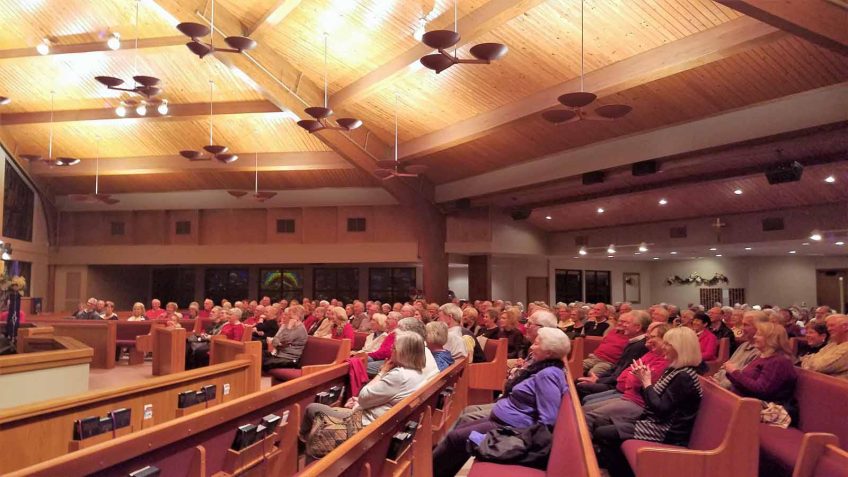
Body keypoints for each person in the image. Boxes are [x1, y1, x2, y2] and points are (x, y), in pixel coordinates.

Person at [432, 328, 571, 477]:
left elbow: (548, 418)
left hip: (511, 427)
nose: (531, 347)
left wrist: (516, 436)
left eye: (537, 344)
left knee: (456, 438)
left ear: (549, 353)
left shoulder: (548, 375)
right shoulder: (544, 368)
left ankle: (429, 472)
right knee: (458, 433)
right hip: (503, 419)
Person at [593, 327, 703, 477]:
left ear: (680, 348)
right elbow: (654, 402)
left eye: (668, 344)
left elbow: (661, 409)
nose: (664, 347)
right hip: (654, 421)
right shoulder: (675, 370)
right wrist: (643, 382)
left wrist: (646, 382)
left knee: (603, 432)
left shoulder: (684, 377)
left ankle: (621, 472)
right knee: (600, 421)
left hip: (667, 431)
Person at [299, 331, 427, 456]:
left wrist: (382, 372)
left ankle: (304, 452)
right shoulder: (418, 373)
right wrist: (360, 402)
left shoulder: (399, 375)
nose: (391, 350)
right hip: (378, 421)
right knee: (319, 415)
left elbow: (364, 396)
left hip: (365, 426)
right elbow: (382, 398)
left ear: (402, 353)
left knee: (312, 409)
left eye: (393, 348)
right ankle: (308, 447)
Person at [583, 324, 670, 433]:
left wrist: (633, 377)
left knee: (588, 416)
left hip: (638, 403)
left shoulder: (664, 361)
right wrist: (633, 377)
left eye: (653, 336)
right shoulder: (651, 354)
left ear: (665, 340)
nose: (648, 338)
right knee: (584, 409)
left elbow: (637, 383)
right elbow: (625, 375)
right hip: (627, 395)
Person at [576, 311, 650, 400]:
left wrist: (598, 380)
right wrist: (598, 377)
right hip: (611, 379)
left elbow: (621, 374)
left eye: (627, 323)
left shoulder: (640, 346)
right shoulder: (633, 342)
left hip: (616, 386)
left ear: (638, 327)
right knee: (578, 380)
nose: (624, 325)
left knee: (580, 385)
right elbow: (616, 367)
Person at [725, 321, 797, 409]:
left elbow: (761, 390)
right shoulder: (763, 357)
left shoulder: (778, 362)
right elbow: (745, 383)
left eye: (759, 335)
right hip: (745, 402)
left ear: (771, 339)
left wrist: (734, 372)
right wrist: (730, 372)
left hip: (762, 408)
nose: (754, 337)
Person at [713, 311, 771, 389]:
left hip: (733, 391)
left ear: (760, 328)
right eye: (742, 324)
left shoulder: (762, 351)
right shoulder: (744, 345)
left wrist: (719, 385)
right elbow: (725, 367)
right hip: (722, 386)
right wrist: (715, 379)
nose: (742, 328)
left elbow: (741, 379)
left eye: (746, 325)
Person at [800, 314, 848, 380]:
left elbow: (818, 367)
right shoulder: (832, 345)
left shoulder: (846, 348)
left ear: (845, 327)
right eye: (828, 326)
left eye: (832, 325)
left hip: (834, 385)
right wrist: (808, 361)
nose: (829, 329)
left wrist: (808, 361)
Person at [263, 306, 308, 372]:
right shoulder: (285, 325)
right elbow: (274, 342)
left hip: (290, 359)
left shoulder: (300, 329)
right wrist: (279, 342)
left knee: (263, 362)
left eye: (290, 316)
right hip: (279, 355)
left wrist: (288, 328)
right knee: (259, 356)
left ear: (297, 317)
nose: (287, 317)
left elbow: (285, 339)